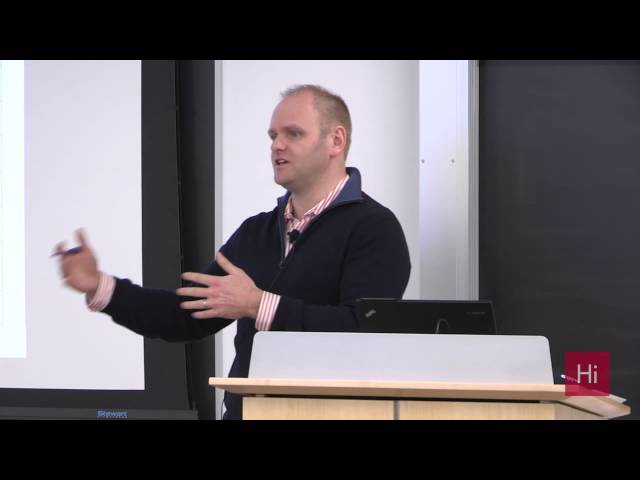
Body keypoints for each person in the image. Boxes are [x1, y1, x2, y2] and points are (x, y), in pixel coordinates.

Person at [54, 84, 411, 419]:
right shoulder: (257, 232)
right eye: (273, 136)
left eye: (293, 134)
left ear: (336, 140)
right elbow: (183, 315)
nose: (277, 145)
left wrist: (259, 305)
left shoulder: (374, 228)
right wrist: (100, 286)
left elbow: (361, 333)